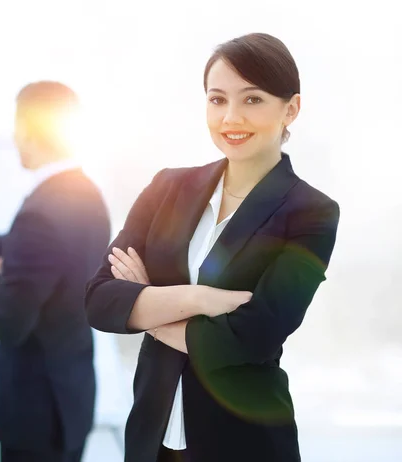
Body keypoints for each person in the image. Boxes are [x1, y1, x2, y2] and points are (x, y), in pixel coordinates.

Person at [85, 33, 340, 462]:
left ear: (290, 109)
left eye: (252, 100)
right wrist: (196, 299)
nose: (231, 117)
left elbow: (250, 338)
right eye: (217, 99)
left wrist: (146, 304)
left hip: (245, 442)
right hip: (152, 439)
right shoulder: (167, 187)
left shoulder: (311, 213)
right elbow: (99, 300)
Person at [0, 81, 111, 462]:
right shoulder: (88, 195)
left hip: (34, 417)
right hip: (69, 401)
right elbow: (48, 252)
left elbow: (9, 323)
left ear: (29, 131)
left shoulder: (40, 212)